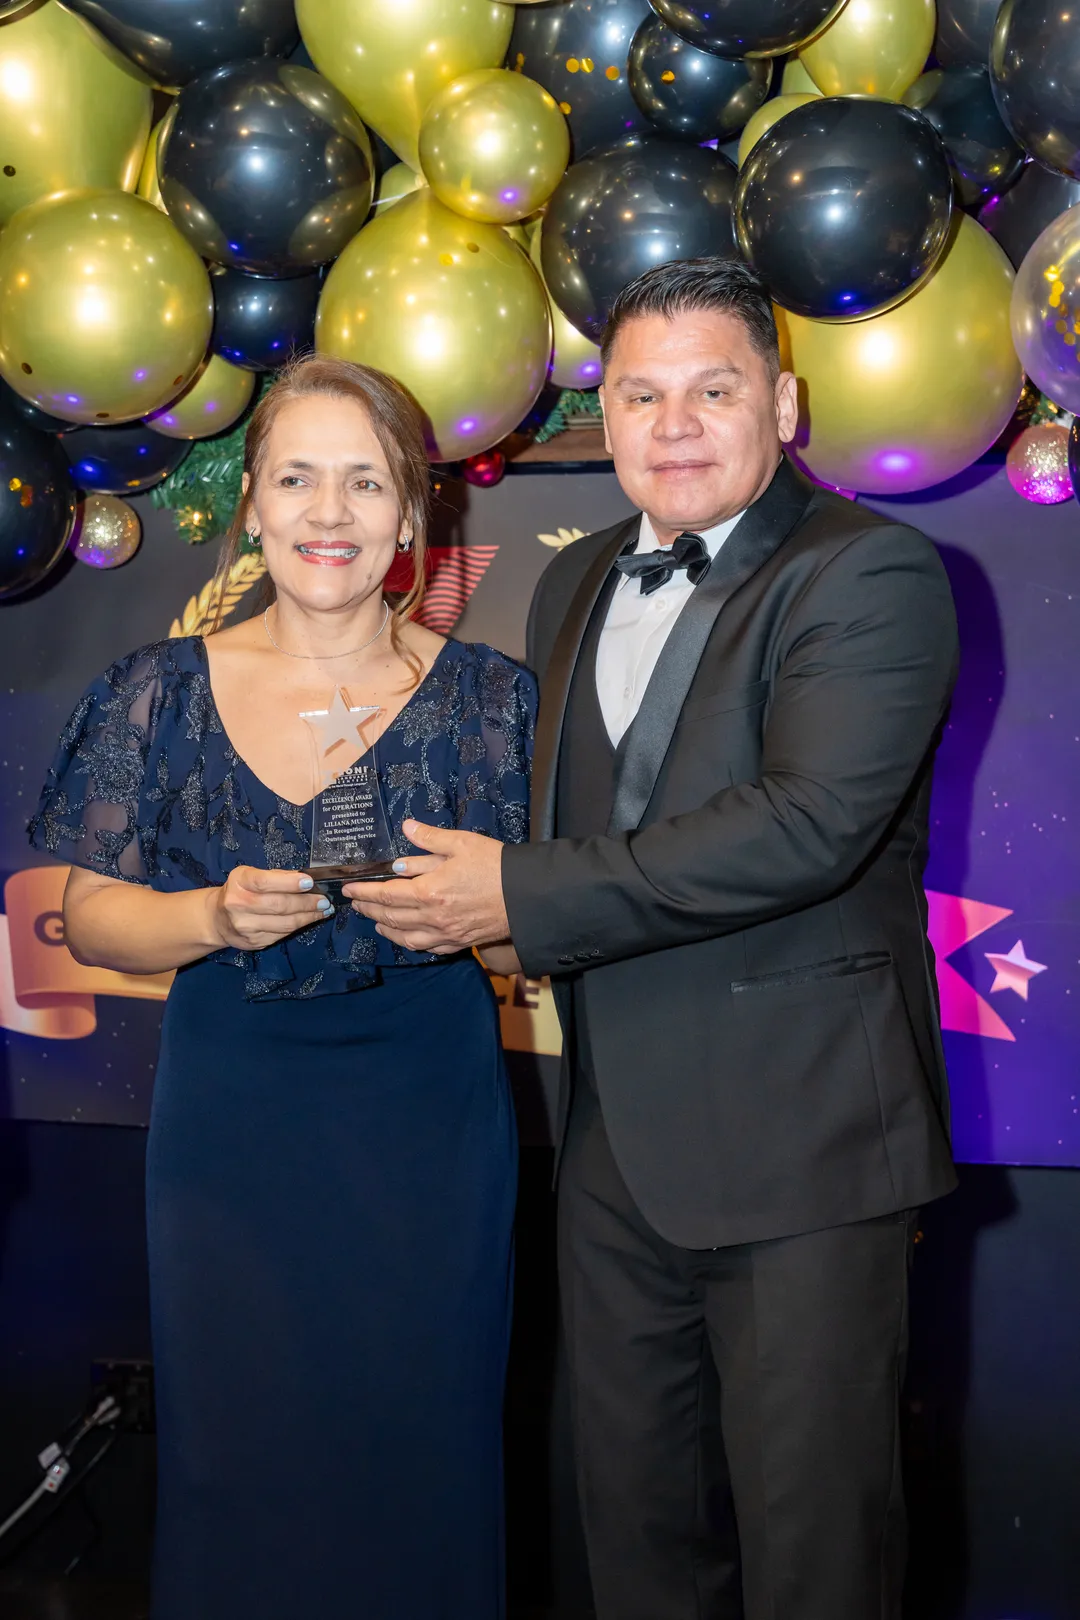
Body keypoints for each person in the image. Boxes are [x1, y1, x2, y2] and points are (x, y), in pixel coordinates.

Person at [351, 258, 960, 1620]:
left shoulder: (869, 570)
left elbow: (804, 824)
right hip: (613, 1149)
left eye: (712, 389)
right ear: (605, 416)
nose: (673, 423)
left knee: (818, 1562)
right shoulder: (571, 593)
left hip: (804, 1157)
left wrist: (521, 895)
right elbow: (579, 820)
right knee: (633, 1547)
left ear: (784, 403)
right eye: (641, 393)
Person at [29, 355, 535, 1620]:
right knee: (240, 1459)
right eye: (299, 477)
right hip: (235, 1131)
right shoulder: (156, 691)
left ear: (414, 514)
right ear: (251, 503)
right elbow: (86, 917)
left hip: (429, 1127)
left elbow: (544, 943)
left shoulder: (493, 704)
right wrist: (210, 914)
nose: (330, 512)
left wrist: (478, 919)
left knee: (426, 1450)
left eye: (366, 482)